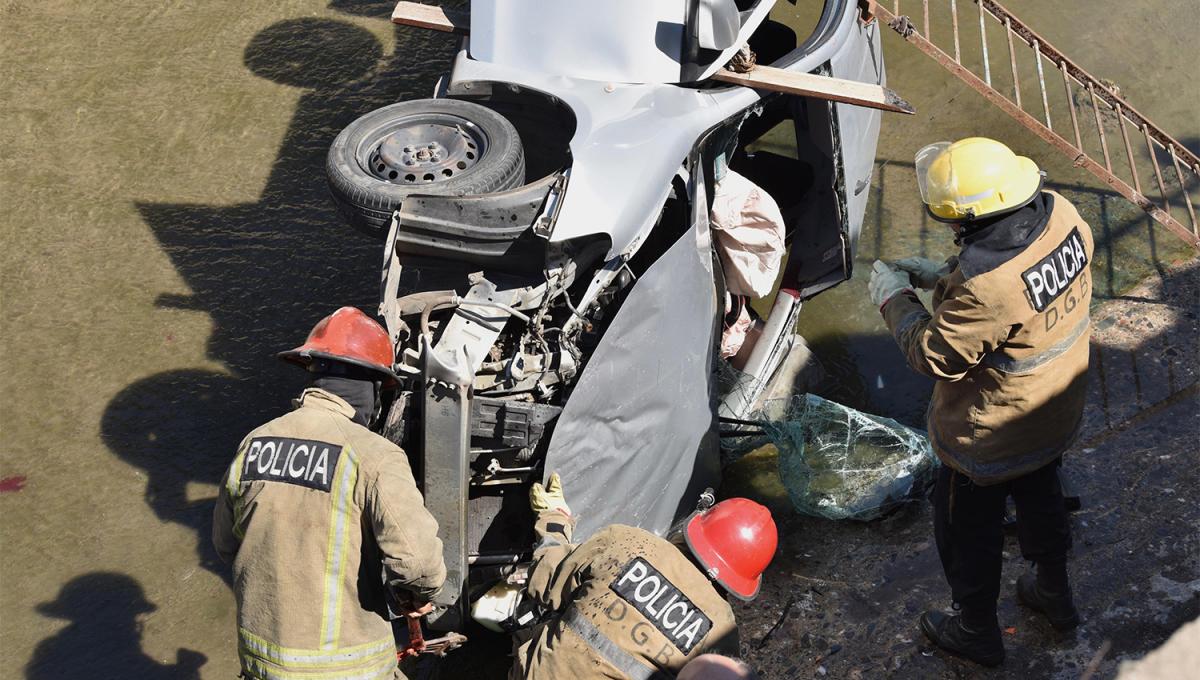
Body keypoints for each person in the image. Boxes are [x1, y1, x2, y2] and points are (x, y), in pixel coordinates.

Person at [868, 137, 1093, 667]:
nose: (951, 230)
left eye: (954, 223)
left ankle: (976, 632)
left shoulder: (986, 289)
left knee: (966, 533)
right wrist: (944, 274)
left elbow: (936, 356)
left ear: (970, 217)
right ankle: (1054, 596)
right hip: (1054, 409)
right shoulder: (1063, 215)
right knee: (1042, 498)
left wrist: (893, 298)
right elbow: (1017, 291)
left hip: (989, 438)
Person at [213, 306, 446, 679]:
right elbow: (419, 566)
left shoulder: (254, 443)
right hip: (348, 669)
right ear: (372, 388)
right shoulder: (374, 455)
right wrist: (416, 594)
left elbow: (226, 544)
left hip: (261, 665)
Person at [510, 473, 777, 679]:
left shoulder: (628, 542)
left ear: (700, 521)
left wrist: (554, 520)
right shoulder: (723, 629)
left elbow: (542, 578)